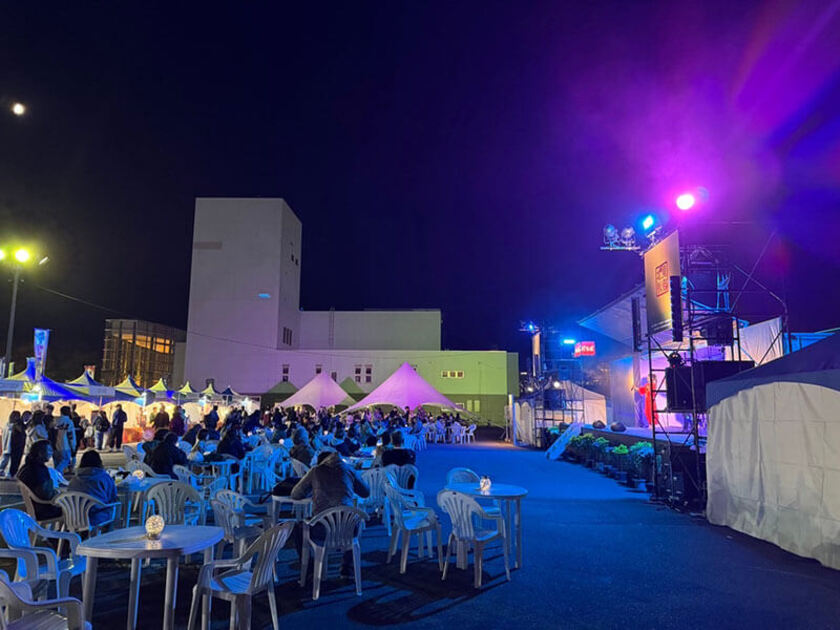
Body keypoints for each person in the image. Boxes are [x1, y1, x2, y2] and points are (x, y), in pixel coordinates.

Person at [290, 451, 370, 577]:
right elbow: (366, 492)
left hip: (322, 529)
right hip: (348, 529)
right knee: (356, 521)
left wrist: (312, 490)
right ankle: (347, 567)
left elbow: (295, 494)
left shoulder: (315, 471)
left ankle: (309, 567)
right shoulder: (349, 470)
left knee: (298, 527)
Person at [68, 450, 118, 526]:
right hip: (96, 516)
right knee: (115, 506)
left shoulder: (74, 479)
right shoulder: (104, 478)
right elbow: (112, 496)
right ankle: (110, 530)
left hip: (74, 517)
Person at [16, 440, 62, 521]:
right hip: (45, 510)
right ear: (40, 452)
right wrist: (60, 494)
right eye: (49, 450)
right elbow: (46, 494)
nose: (51, 453)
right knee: (73, 507)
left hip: (35, 507)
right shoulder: (39, 470)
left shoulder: (26, 468)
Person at [50, 406, 77, 474]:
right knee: (65, 460)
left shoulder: (55, 421)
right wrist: (73, 446)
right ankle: (56, 473)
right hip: (65, 445)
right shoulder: (69, 422)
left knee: (57, 462)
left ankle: (56, 477)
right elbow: (71, 436)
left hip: (54, 445)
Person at [0, 411, 21, 476]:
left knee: (6, 459)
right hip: (9, 445)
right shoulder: (11, 425)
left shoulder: (8, 425)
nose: (17, 418)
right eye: (16, 416)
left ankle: (3, 471)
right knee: (5, 459)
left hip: (9, 445)